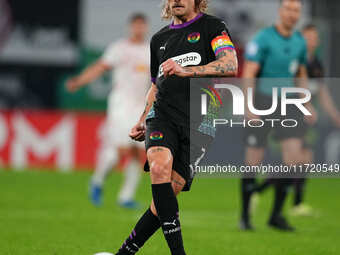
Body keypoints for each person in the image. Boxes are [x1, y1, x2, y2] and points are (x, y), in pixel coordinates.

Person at [112, 0, 238, 254]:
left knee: (167, 195)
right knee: (158, 167)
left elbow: (231, 64)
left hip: (202, 119)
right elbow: (156, 85)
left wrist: (187, 70)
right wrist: (142, 117)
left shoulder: (212, 27)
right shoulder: (159, 39)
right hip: (163, 115)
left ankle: (125, 252)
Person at [240, 0, 317, 231]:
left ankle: (276, 215)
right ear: (280, 11)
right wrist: (247, 106)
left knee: (293, 160)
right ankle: (245, 217)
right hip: (262, 102)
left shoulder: (299, 42)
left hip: (289, 104)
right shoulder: (263, 38)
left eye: (297, 11)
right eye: (289, 9)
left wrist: (307, 103)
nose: (293, 14)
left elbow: (301, 73)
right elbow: (249, 72)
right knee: (252, 161)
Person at [254, 24, 340, 217]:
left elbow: (322, 91)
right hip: (289, 115)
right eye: (308, 38)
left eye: (314, 38)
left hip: (303, 116)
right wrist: (304, 105)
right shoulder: (292, 62)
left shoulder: (316, 64)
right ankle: (264, 194)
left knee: (303, 160)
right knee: (295, 160)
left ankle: (289, 201)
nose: (312, 41)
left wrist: (333, 114)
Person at [66, 13, 150, 209]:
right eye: (136, 25)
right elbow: (99, 68)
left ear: (145, 28)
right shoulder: (119, 48)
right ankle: (97, 180)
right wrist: (79, 81)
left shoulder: (150, 51)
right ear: (130, 27)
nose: (139, 29)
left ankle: (125, 197)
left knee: (138, 152)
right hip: (120, 104)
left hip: (140, 107)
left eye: (142, 26)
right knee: (121, 150)